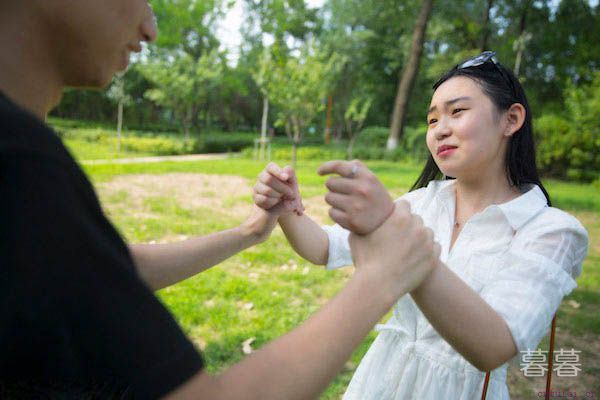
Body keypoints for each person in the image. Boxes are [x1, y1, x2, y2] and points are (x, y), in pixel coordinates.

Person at [0, 1, 443, 398]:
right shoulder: (19, 157)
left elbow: (102, 271)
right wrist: (380, 280)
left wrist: (250, 232)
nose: (150, 28)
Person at [254, 51, 590, 399]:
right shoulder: (421, 203)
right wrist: (287, 210)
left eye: (457, 112)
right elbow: (325, 248)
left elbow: (494, 346)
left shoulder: (551, 231)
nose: (440, 130)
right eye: (432, 120)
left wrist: (398, 237)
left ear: (511, 119)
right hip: (379, 382)